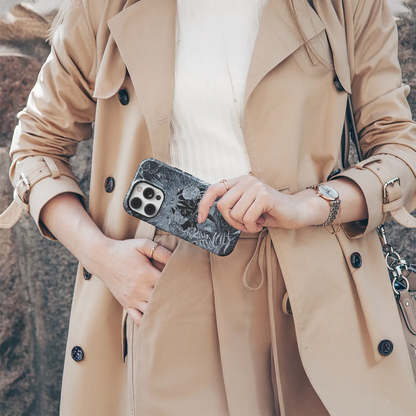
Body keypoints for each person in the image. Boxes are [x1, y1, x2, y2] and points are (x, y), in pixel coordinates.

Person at [1, 0, 416, 414]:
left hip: (315, 292)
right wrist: (104, 258)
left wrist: (308, 205)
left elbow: (400, 146)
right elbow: (36, 146)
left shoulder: (349, 5)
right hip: (163, 285)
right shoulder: (102, 7)